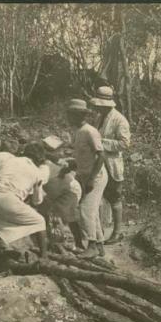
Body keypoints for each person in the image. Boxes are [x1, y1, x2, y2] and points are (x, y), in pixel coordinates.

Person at [0, 142, 48, 258]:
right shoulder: (37, 172)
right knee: (40, 221)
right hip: (8, 198)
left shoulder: (9, 161)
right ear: (39, 159)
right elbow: (37, 201)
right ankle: (44, 256)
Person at [89, 86, 131, 244]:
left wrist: (101, 142)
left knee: (114, 196)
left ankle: (117, 231)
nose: (97, 108)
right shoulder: (99, 118)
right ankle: (98, 231)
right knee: (98, 196)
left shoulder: (119, 120)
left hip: (112, 164)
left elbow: (125, 144)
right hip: (99, 163)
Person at [66, 98, 107, 258]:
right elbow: (82, 157)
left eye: (70, 115)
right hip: (85, 175)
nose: (68, 118)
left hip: (96, 176)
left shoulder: (90, 131)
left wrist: (91, 179)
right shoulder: (77, 132)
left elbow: (101, 156)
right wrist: (70, 167)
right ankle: (99, 244)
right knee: (93, 211)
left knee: (85, 210)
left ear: (78, 115)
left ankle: (91, 246)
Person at [37, 154, 84, 252]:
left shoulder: (45, 167)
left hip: (69, 189)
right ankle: (56, 242)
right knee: (53, 216)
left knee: (67, 217)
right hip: (58, 191)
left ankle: (77, 244)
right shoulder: (45, 166)